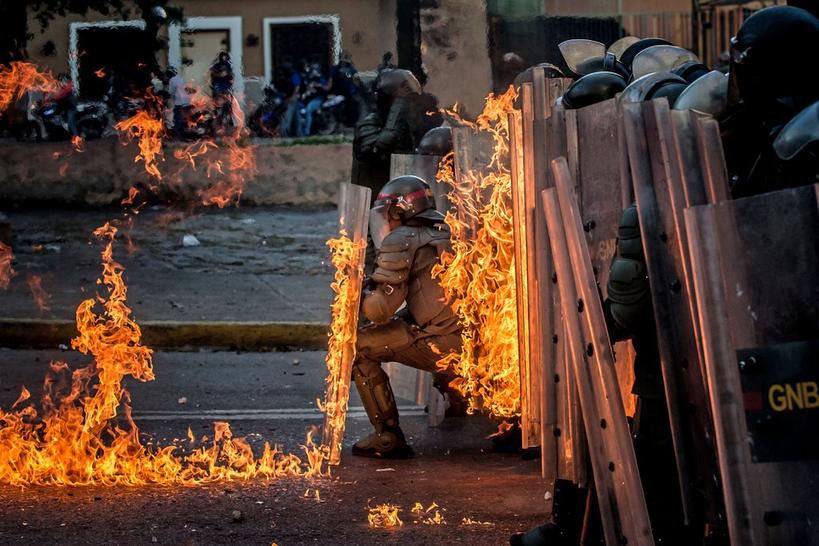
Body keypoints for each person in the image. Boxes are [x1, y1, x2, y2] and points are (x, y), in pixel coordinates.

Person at [351, 175, 461, 458]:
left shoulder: (402, 239)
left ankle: (388, 436)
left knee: (358, 348)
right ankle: (512, 425)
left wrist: (358, 293)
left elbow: (380, 310)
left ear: (398, 211)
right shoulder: (447, 231)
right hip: (473, 341)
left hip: (441, 344)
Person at [298, 63, 331, 137]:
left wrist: (318, 85)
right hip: (309, 99)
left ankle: (306, 133)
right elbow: (308, 89)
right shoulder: (309, 78)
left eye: (314, 69)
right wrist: (307, 91)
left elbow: (327, 88)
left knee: (308, 110)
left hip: (319, 99)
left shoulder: (321, 78)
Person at [209, 51, 234, 130]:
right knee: (217, 105)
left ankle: (228, 119)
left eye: (225, 57)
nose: (224, 59)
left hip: (226, 88)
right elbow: (212, 73)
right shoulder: (216, 66)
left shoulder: (228, 66)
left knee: (228, 104)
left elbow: (231, 76)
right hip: (218, 88)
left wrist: (229, 77)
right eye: (223, 57)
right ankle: (216, 119)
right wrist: (220, 74)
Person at [167, 68, 192, 139]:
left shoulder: (171, 80)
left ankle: (179, 136)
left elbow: (171, 92)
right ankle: (186, 134)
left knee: (178, 118)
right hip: (186, 101)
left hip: (179, 102)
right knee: (185, 118)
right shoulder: (180, 78)